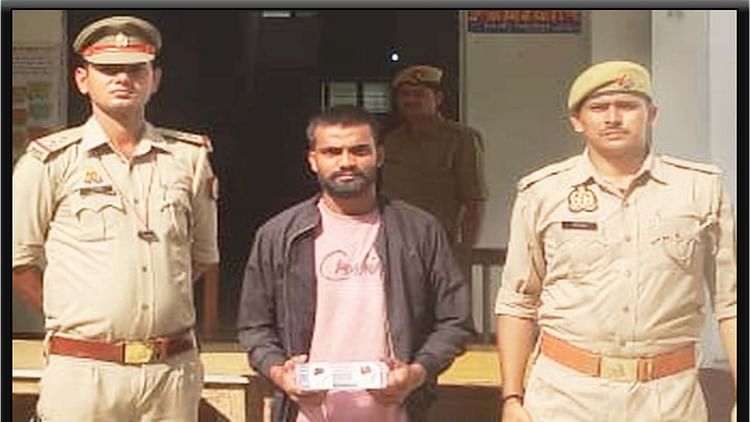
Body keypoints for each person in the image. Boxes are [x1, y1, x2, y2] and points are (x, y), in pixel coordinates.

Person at [494, 60, 736, 422]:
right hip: (566, 397)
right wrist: (512, 397)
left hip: (668, 399)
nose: (612, 118)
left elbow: (731, 301)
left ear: (651, 115)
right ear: (577, 121)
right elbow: (518, 300)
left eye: (627, 106)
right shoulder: (543, 192)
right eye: (598, 108)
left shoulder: (700, 189)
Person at [12, 16, 220, 421]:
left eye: (136, 69)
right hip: (85, 370)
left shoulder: (188, 158)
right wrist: (74, 313)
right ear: (82, 80)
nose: (123, 78)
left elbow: (201, 257)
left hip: (169, 370)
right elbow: (19, 260)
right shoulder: (49, 161)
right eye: (108, 69)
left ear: (154, 79)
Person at [237, 105, 474, 422]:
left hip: (397, 413)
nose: (346, 162)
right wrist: (280, 373)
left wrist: (416, 373)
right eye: (332, 152)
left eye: (359, 150)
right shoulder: (279, 235)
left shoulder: (420, 231)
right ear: (313, 160)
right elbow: (254, 328)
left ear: (380, 155)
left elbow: (455, 321)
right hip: (306, 414)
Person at [380, 64, 487, 274]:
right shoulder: (391, 140)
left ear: (438, 99)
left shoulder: (461, 139)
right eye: (405, 94)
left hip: (440, 248)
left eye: (419, 94)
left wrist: (465, 253)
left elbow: (474, 201)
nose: (410, 100)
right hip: (396, 245)